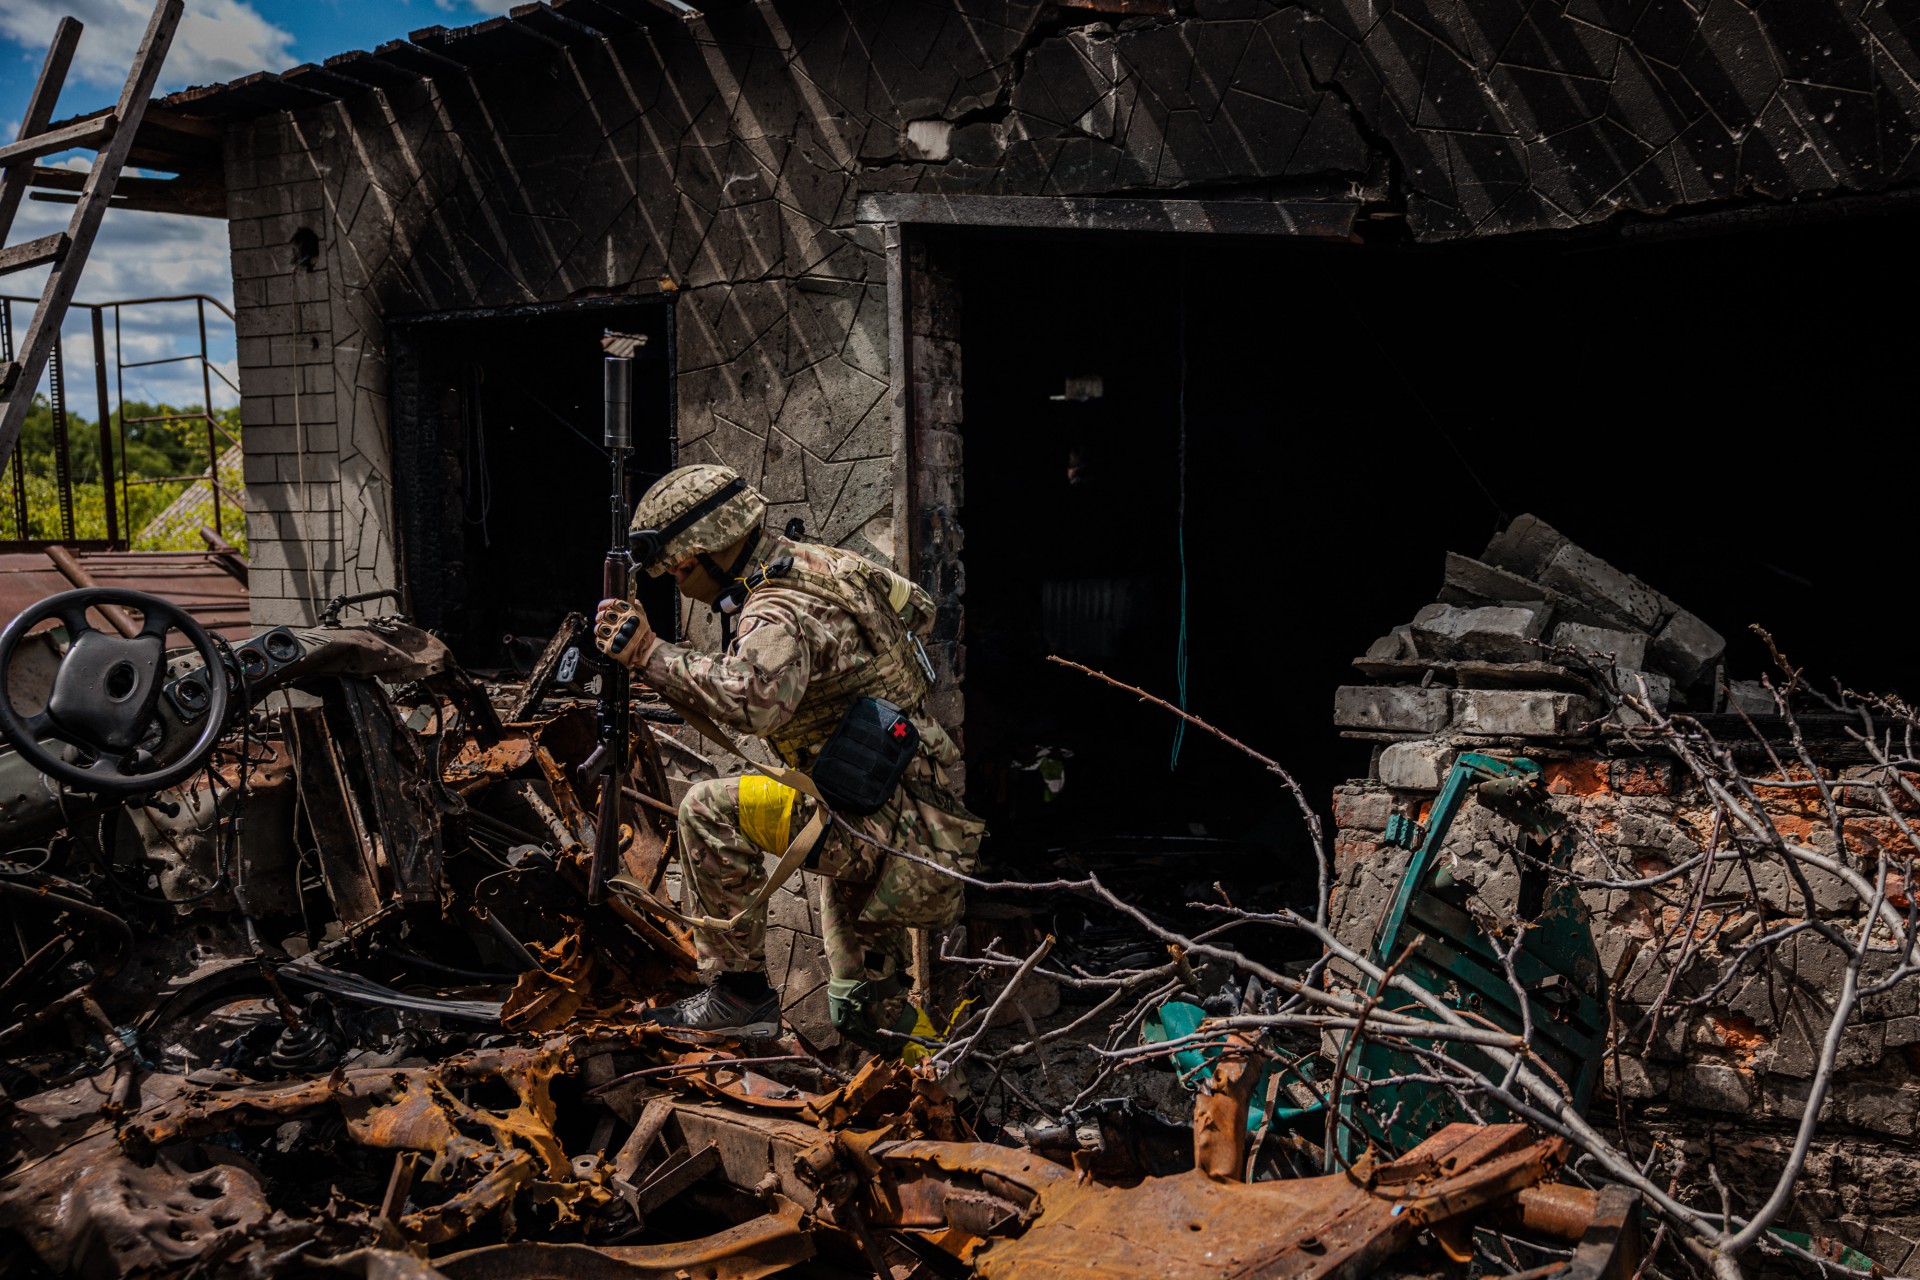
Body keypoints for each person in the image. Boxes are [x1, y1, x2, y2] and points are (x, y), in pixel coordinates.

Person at [592, 463, 985, 1047]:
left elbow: (751, 702)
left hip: (869, 819)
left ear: (711, 550)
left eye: (680, 568)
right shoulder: (826, 564)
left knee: (707, 809)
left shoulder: (774, 607)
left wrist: (647, 652)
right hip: (900, 806)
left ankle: (740, 995)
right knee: (867, 1006)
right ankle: (940, 1100)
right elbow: (921, 608)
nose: (677, 580)